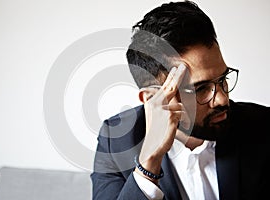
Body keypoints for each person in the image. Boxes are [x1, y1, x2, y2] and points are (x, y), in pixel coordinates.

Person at [91, 1, 270, 199]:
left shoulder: (263, 126)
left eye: (222, 79)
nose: (221, 99)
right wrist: (148, 164)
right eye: (200, 89)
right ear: (152, 98)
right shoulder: (115, 140)